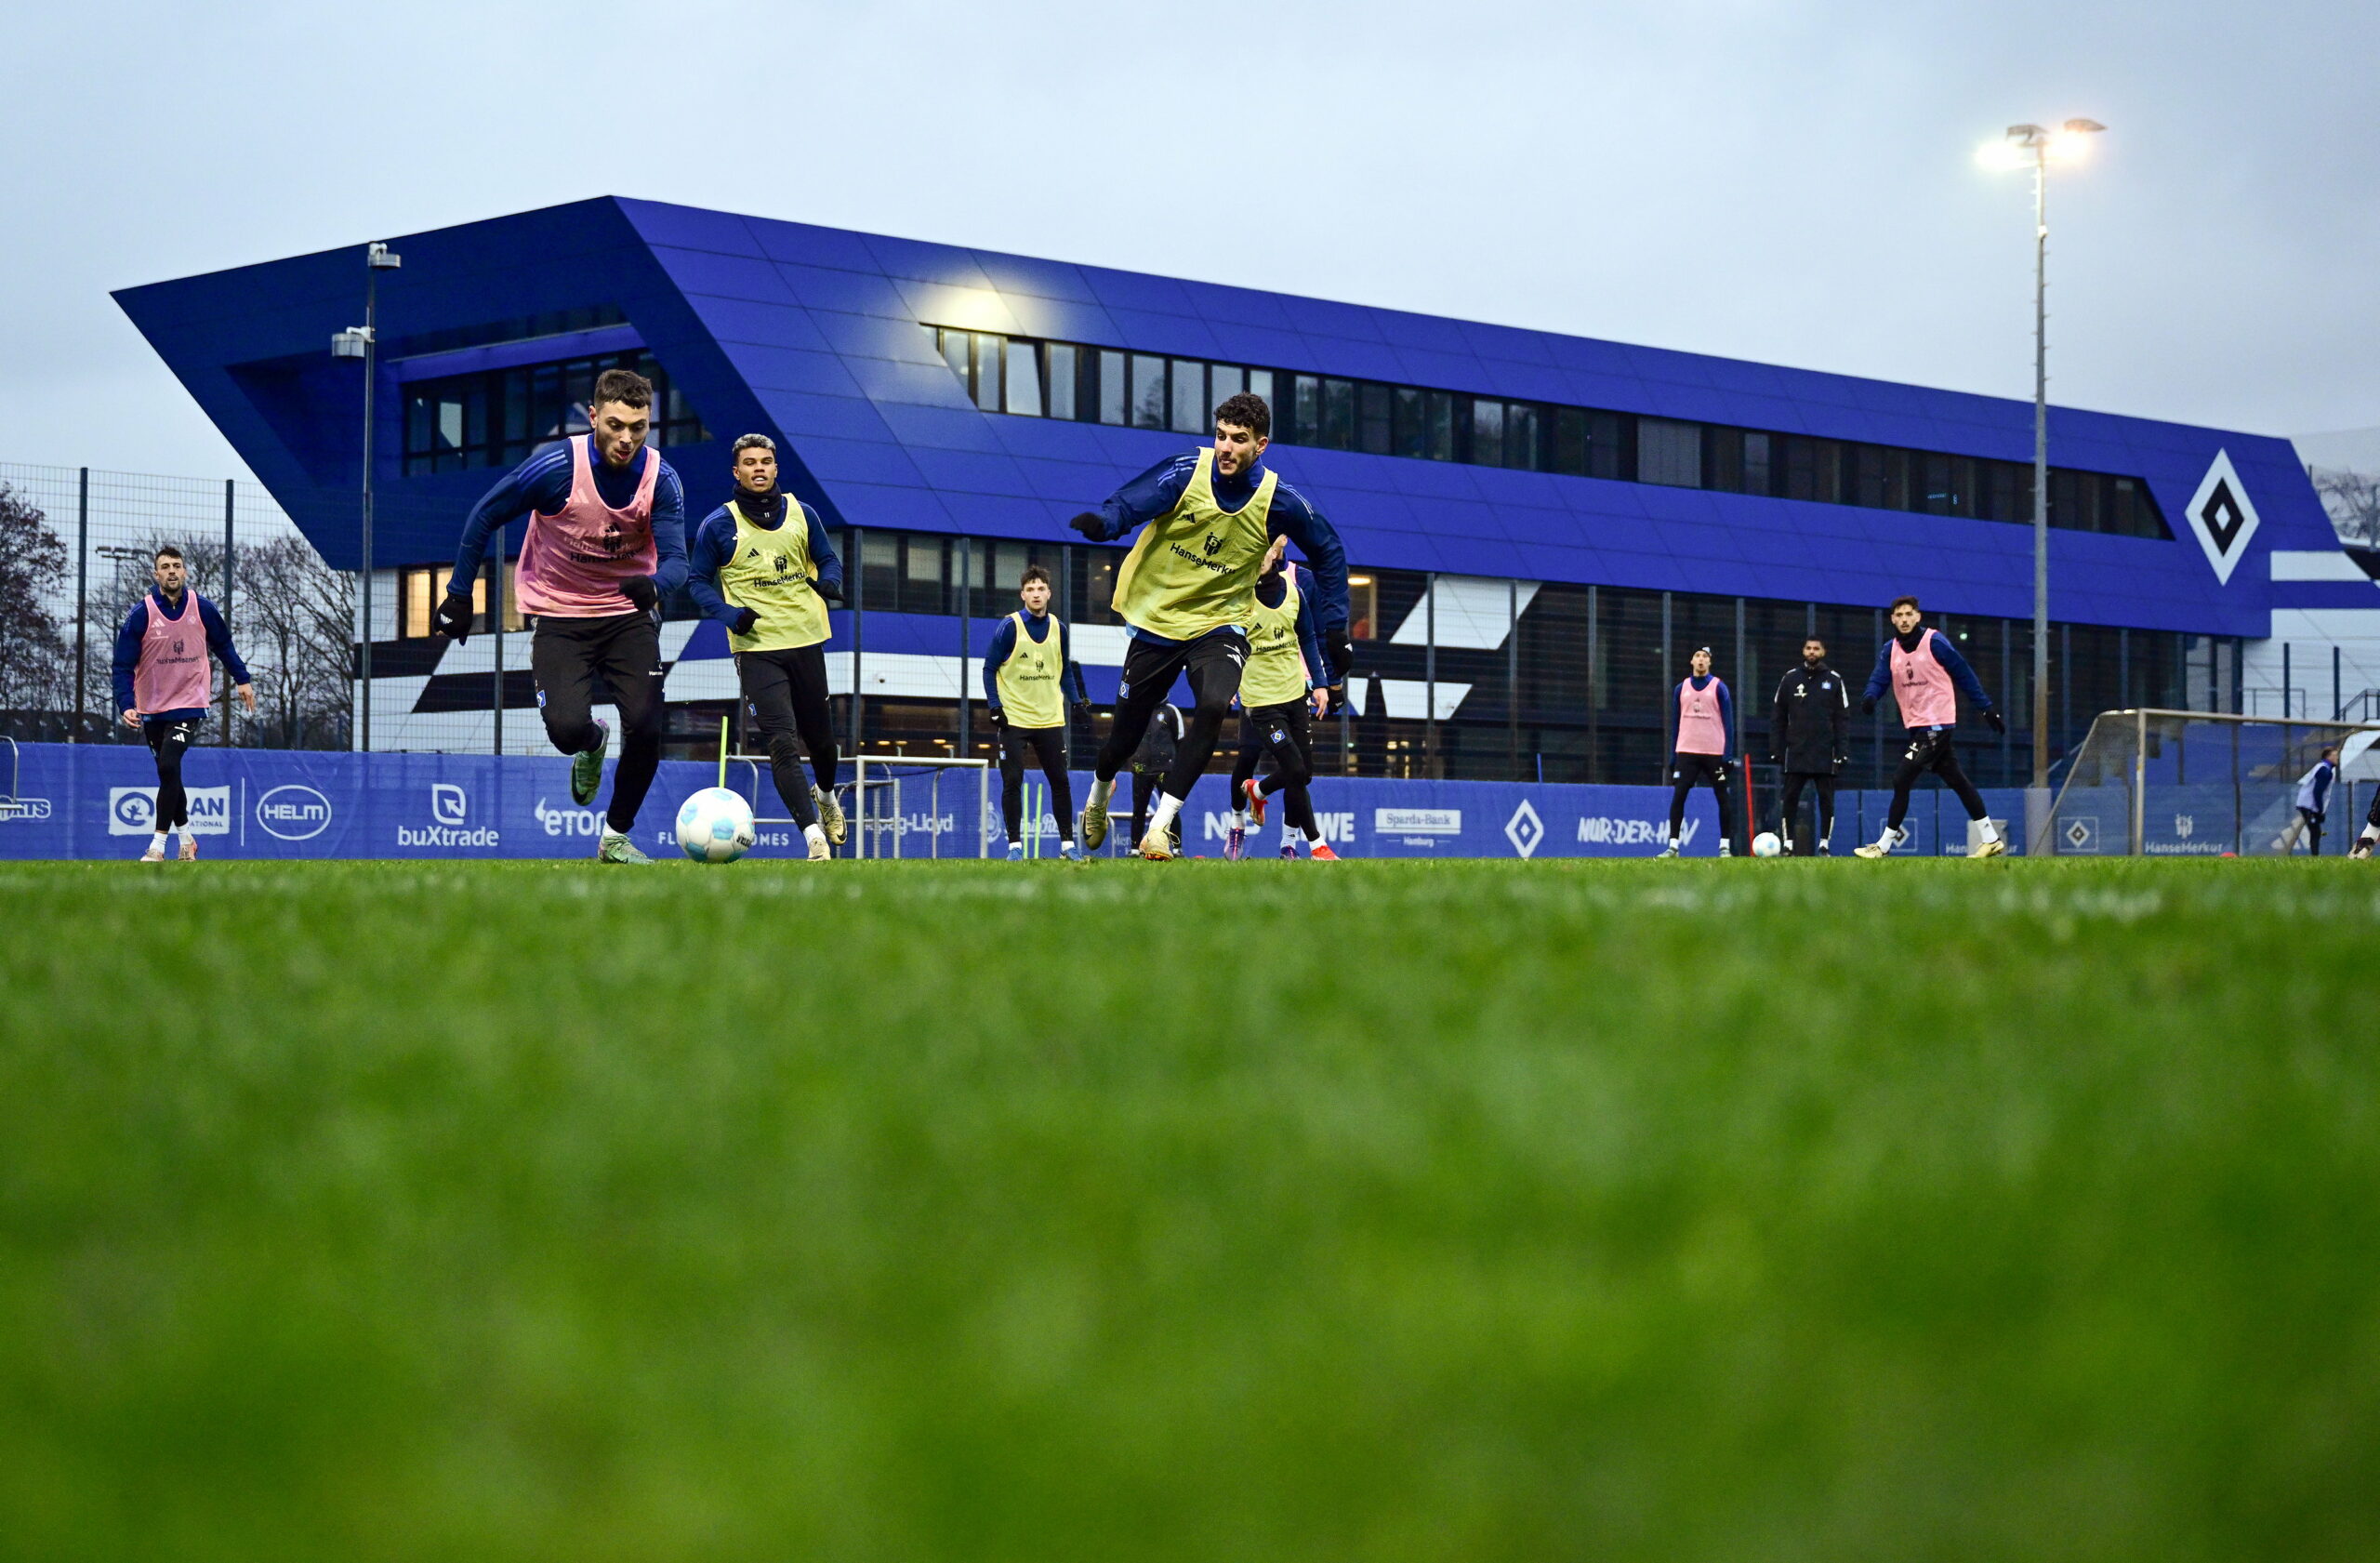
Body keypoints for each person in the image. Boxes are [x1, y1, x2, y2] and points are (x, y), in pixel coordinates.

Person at [1066, 391, 1352, 859]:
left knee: (1216, 704)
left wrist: (1337, 625)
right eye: (1220, 435)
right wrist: (1104, 522)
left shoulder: (1279, 501)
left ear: (1261, 446)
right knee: (1120, 740)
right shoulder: (1186, 472)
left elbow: (1329, 550)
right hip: (1158, 622)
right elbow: (1131, 502)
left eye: (1238, 440)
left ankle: (1159, 829)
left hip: (1220, 623)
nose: (1225, 447)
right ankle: (1098, 794)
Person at [435, 367, 688, 864]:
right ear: (594, 417)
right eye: (615, 424)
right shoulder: (555, 468)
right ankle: (593, 743)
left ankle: (615, 836)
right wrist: (459, 595)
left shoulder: (662, 479)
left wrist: (655, 585)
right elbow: (485, 513)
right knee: (565, 731)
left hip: (627, 616)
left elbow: (678, 559)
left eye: (638, 427)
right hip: (560, 615)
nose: (626, 438)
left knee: (646, 723)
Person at [686, 433, 843, 861]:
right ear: (736, 472)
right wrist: (729, 615)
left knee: (823, 744)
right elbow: (697, 581)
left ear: (776, 468)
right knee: (782, 742)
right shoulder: (718, 525)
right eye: (750, 462)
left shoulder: (803, 513)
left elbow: (829, 559)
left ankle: (826, 795)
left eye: (766, 461)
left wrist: (831, 581)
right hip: (756, 649)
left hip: (807, 640)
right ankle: (813, 837)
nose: (759, 468)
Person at [112, 544, 256, 862]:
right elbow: (122, 666)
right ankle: (187, 839)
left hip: (189, 702)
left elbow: (224, 645)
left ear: (185, 571)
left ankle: (157, 847)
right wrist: (126, 704)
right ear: (156, 574)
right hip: (152, 706)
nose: (172, 571)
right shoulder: (141, 614)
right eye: (166, 566)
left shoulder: (201, 608)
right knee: (169, 774)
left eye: (177, 565)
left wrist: (242, 679)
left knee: (167, 764)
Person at [1854, 595, 2007, 859]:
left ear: (1918, 617)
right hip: (1917, 726)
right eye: (1899, 615)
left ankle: (1883, 846)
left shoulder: (1934, 642)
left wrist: (1986, 708)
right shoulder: (1890, 649)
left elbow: (1964, 673)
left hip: (1938, 724)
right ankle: (1991, 839)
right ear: (1892, 619)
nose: (1904, 619)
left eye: (1908, 614)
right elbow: (1879, 678)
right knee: (1957, 781)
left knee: (1901, 778)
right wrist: (1870, 697)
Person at [1226, 536, 1339, 861]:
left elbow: (1308, 637)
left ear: (1276, 552)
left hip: (1294, 692)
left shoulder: (1296, 591)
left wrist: (1321, 684)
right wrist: (1229, 680)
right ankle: (1316, 845)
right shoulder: (1238, 598)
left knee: (1302, 773)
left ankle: (1261, 795)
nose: (1260, 555)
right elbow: (1227, 642)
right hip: (1260, 700)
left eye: (1265, 549)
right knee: (1279, 763)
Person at [985, 563, 1091, 860]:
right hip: (1014, 719)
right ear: (1022, 595)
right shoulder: (1009, 626)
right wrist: (995, 706)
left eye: (1040, 588)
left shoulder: (1060, 628)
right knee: (1012, 781)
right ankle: (1014, 847)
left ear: (1049, 593)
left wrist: (1077, 701)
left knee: (1060, 781)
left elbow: (1065, 669)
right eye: (1030, 589)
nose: (1035, 593)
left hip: (1049, 720)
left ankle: (1068, 847)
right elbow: (989, 668)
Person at [1769, 634, 1848, 855]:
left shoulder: (1834, 680)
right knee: (1790, 798)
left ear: (1823, 653)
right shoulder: (1790, 678)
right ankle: (1788, 844)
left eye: (1816, 648)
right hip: (1796, 750)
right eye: (1808, 648)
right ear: (1803, 652)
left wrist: (1842, 751)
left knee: (1826, 799)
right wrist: (1776, 748)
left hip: (1825, 751)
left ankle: (1824, 844)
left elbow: (1842, 719)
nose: (1812, 652)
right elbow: (1778, 716)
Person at [1659, 646, 1736, 858]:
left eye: (1705, 657)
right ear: (1691, 661)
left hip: (1713, 753)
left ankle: (1725, 847)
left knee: (1722, 797)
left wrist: (1728, 754)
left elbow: (1729, 723)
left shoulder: (1719, 687)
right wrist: (1673, 756)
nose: (1701, 660)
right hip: (1687, 752)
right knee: (1679, 796)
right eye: (1697, 656)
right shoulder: (1680, 688)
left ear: (1710, 663)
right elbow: (1675, 723)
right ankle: (1673, 846)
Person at [1130, 701, 1184, 856]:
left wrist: (1176, 765)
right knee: (1138, 810)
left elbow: (1180, 739)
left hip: (1166, 770)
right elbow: (1129, 736)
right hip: (1141, 769)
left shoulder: (1171, 710)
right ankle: (1135, 849)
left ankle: (1177, 848)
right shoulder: (1138, 709)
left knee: (1171, 809)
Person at [2276, 746, 2338, 855]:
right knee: (2315, 832)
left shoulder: (2321, 767)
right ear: (2328, 757)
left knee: (2316, 831)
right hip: (2310, 805)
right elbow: (2318, 791)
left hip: (2307, 803)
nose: (2337, 758)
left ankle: (2315, 856)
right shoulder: (2325, 771)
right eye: (2335, 755)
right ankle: (2315, 857)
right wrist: (2319, 810)